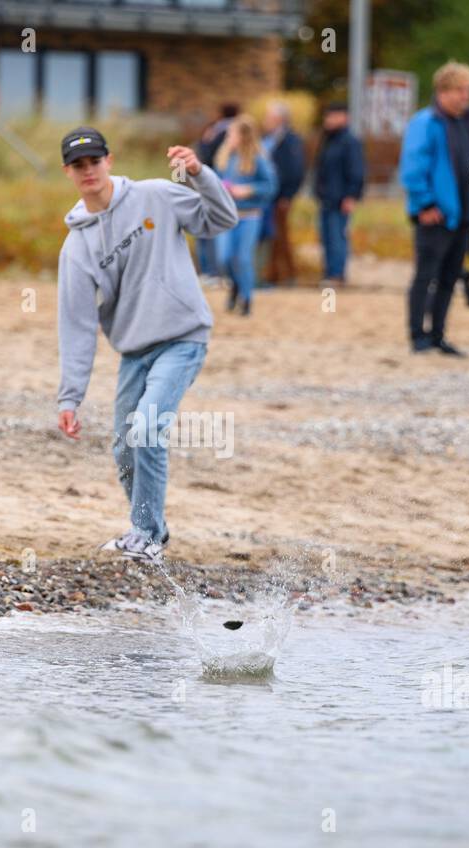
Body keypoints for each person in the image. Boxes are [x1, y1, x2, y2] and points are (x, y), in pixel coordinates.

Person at [55, 127, 238, 562]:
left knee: (146, 429)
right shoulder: (76, 247)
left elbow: (223, 219)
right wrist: (70, 396)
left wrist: (199, 174)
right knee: (124, 445)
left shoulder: (156, 195)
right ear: (68, 173)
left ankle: (146, 534)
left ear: (109, 161)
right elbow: (77, 325)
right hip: (135, 350)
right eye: (79, 166)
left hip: (183, 336)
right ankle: (150, 528)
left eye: (94, 162)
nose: (88, 171)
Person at [399, 61, 469, 357]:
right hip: (434, 214)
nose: (465, 96)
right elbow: (413, 168)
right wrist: (424, 203)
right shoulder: (425, 123)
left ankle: (439, 334)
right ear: (443, 91)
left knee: (451, 277)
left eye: (468, 90)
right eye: (459, 90)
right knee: (425, 276)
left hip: (463, 214)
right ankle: (418, 336)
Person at [213, 114, 277, 316]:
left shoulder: (259, 159)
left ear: (244, 136)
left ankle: (247, 299)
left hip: (249, 215)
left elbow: (271, 186)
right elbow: (214, 181)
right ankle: (235, 286)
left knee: (243, 258)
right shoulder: (224, 158)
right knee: (224, 258)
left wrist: (248, 190)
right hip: (226, 216)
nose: (228, 137)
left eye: (232, 133)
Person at [311, 102, 365, 285]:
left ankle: (337, 274)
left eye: (332, 116)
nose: (328, 120)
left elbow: (357, 170)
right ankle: (329, 272)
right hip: (326, 198)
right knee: (326, 238)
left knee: (337, 237)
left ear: (344, 117)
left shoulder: (350, 142)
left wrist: (351, 195)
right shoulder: (328, 140)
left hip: (340, 199)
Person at [261, 101, 305, 287]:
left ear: (279, 119)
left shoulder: (290, 140)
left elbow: (295, 169)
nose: (265, 121)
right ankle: (272, 273)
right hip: (267, 196)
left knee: (281, 235)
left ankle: (287, 274)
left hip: (281, 197)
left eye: (269, 117)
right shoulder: (269, 138)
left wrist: (288, 195)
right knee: (271, 236)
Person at [194, 103, 239, 284]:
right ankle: (212, 271)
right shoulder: (222, 131)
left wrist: (205, 141)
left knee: (211, 231)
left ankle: (214, 272)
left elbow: (206, 157)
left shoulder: (218, 133)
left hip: (212, 186)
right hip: (213, 186)